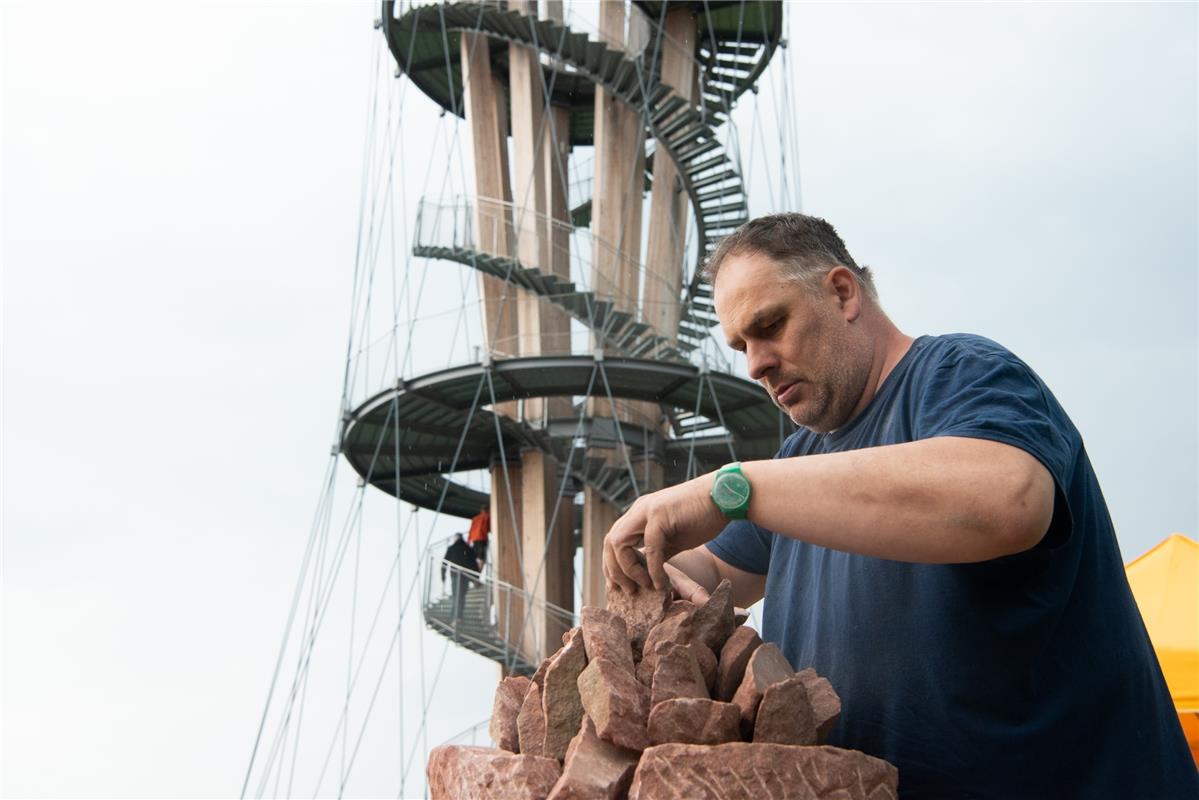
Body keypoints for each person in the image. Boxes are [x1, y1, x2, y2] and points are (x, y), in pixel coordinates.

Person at [603, 214, 1198, 798]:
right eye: (741, 345)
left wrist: (729, 488)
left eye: (770, 325)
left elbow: (1010, 499)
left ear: (842, 292)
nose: (756, 363)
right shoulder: (796, 466)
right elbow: (710, 571)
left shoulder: (963, 376)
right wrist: (658, 571)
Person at [441, 533, 478, 624]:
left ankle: (455, 618)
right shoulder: (468, 549)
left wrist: (443, 575)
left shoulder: (452, 548)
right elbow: (474, 564)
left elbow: (444, 563)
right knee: (461, 596)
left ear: (455, 539)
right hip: (466, 576)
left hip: (455, 576)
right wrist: (475, 578)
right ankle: (458, 617)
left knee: (456, 596)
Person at [468, 505, 490, 571]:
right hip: (482, 538)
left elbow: (471, 529)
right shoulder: (487, 516)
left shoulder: (475, 518)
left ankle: (474, 571)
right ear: (488, 510)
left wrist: (468, 540)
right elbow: (489, 528)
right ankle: (478, 573)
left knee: (475, 556)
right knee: (482, 557)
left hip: (474, 539)